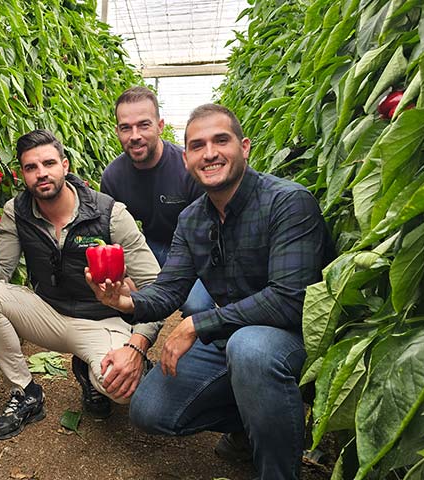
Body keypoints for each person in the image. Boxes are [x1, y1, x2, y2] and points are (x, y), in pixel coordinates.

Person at [87, 104, 334, 480]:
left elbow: (290, 299)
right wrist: (123, 300)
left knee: (250, 347)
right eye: (198, 145)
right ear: (186, 158)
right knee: (149, 409)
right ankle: (259, 420)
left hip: (296, 341)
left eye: (221, 140)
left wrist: (196, 325)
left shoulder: (286, 202)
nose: (210, 153)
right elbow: (170, 291)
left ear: (245, 146)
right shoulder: (193, 219)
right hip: (232, 336)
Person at [0, 129, 162, 440]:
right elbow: (0, 274)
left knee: (121, 391)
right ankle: (25, 393)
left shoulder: (110, 214)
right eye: (31, 168)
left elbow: (156, 288)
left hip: (101, 320)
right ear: (22, 174)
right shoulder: (18, 211)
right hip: (49, 315)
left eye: (49, 163)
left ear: (65, 165)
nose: (41, 174)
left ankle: (98, 369)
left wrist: (137, 345)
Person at [102, 86, 213, 314]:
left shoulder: (187, 169)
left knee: (196, 304)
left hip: (193, 250)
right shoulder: (113, 176)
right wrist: (123, 275)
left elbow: (208, 233)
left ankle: (200, 340)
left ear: (160, 126)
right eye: (126, 128)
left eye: (144, 125)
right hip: (148, 246)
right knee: (120, 292)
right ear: (117, 131)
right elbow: (112, 237)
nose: (135, 136)